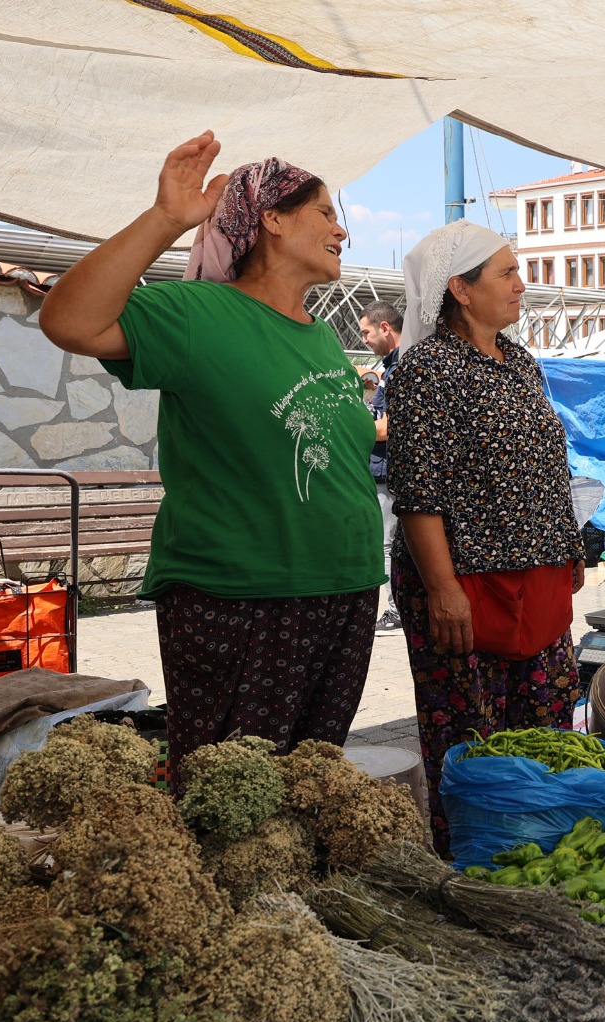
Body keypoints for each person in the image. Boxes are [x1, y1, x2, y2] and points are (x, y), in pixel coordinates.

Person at [38, 132, 383, 789]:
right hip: (243, 593)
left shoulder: (321, 338)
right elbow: (70, 321)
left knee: (307, 788)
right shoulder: (200, 314)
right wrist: (168, 219)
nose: (342, 231)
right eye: (326, 213)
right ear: (273, 219)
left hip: (344, 588)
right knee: (226, 794)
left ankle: (285, 895)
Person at [386, 220, 586, 852]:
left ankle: (545, 844)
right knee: (473, 731)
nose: (521, 285)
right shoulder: (427, 370)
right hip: (467, 581)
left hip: (539, 574)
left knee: (547, 722)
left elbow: (547, 463)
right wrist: (443, 590)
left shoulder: (520, 361)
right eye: (507, 273)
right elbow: (421, 491)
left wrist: (569, 548)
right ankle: (479, 860)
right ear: (461, 290)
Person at [359, 299, 404, 631]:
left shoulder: (399, 366)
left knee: (387, 544)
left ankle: (395, 609)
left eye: (366, 333)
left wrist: (346, 423)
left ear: (385, 328)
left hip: (389, 472)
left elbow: (388, 427)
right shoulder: (393, 365)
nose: (363, 340)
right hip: (387, 471)